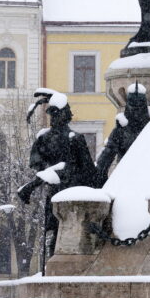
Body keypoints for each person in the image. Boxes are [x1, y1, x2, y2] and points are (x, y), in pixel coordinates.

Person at [17, 89, 98, 266]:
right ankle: (55, 265)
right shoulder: (44, 138)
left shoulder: (74, 138)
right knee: (56, 230)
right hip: (57, 192)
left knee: (68, 229)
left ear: (65, 115)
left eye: (56, 114)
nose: (53, 118)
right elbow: (38, 164)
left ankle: (63, 264)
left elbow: (86, 169)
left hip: (72, 193)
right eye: (51, 114)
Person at [95, 84, 150, 185]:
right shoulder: (120, 131)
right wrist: (100, 177)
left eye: (139, 105)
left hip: (144, 178)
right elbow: (106, 157)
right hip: (126, 179)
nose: (136, 110)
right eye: (134, 105)